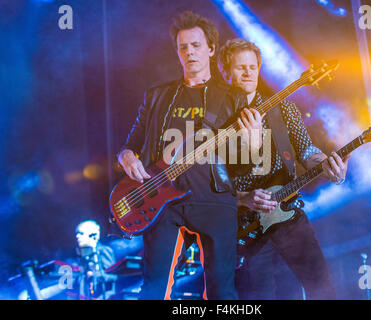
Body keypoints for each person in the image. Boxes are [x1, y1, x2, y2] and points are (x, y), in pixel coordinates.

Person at [117, 12, 263, 300]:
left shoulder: (232, 96)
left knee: (222, 290)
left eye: (196, 45)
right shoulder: (157, 96)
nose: (189, 52)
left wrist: (255, 143)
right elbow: (129, 145)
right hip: (161, 202)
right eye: (183, 47)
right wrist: (126, 156)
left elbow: (243, 164)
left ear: (210, 49)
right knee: (153, 288)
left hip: (215, 200)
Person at [218, 38, 351, 299]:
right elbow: (207, 183)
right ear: (224, 72)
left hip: (287, 215)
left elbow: (307, 151)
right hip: (243, 225)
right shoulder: (215, 121)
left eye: (253, 66)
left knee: (322, 290)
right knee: (257, 297)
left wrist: (326, 164)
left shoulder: (284, 109)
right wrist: (242, 199)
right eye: (240, 67)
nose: (248, 72)